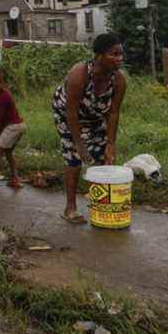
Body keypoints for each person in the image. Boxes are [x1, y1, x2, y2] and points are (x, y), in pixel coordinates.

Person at [52, 33, 127, 224]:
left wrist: (111, 144)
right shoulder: (79, 74)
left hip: (95, 116)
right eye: (114, 54)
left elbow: (113, 114)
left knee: (105, 156)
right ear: (99, 56)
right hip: (68, 114)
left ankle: (103, 205)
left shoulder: (119, 80)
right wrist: (79, 145)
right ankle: (70, 208)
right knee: (74, 159)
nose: (120, 58)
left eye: (121, 54)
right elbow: (71, 113)